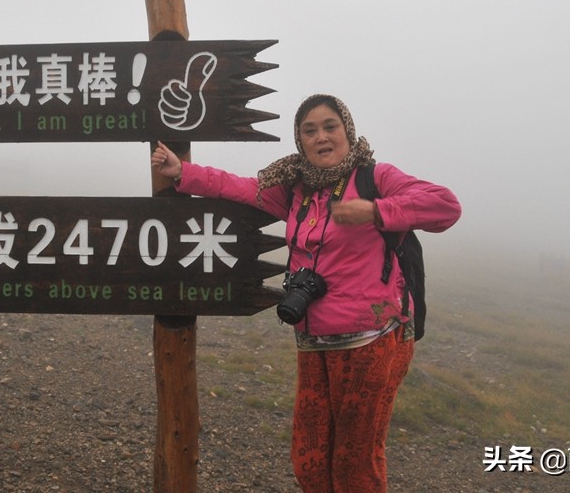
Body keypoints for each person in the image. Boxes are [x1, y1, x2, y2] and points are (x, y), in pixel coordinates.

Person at [151, 93, 461, 493]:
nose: (321, 137)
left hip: (373, 339)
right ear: (300, 141)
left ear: (347, 131)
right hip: (313, 339)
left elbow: (445, 206)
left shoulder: (375, 178)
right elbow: (243, 188)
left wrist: (375, 211)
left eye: (330, 126)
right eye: (309, 130)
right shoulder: (297, 189)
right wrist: (183, 174)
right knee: (310, 461)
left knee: (354, 463)